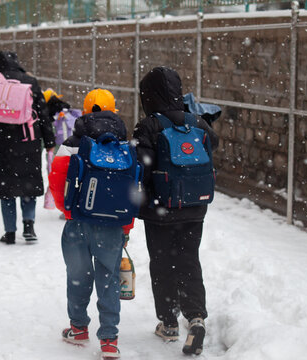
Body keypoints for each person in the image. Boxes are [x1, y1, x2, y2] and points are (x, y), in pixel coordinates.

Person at [132, 67, 219, 355]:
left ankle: (168, 322)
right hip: (195, 205)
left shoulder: (148, 126)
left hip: (160, 210)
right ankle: (196, 318)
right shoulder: (196, 121)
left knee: (162, 263)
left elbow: (140, 166)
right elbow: (212, 145)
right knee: (189, 261)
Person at [48, 89, 133, 359]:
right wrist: (125, 227)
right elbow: (131, 190)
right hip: (112, 225)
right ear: (113, 111)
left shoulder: (72, 143)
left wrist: (70, 211)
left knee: (78, 277)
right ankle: (109, 339)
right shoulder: (125, 145)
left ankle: (79, 327)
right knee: (108, 279)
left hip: (78, 222)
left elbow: (56, 181)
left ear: (84, 111)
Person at [0, 50, 55, 245]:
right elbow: (43, 113)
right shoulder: (30, 81)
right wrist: (49, 142)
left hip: (3, 142)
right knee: (28, 184)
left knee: (7, 188)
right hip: (28, 140)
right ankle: (29, 225)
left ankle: (10, 231)